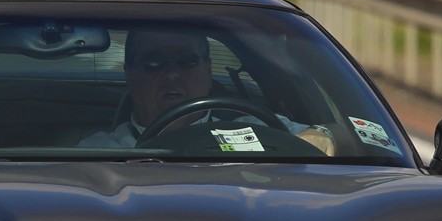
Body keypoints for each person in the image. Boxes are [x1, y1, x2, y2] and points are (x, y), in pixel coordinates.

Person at [78, 27, 332, 152]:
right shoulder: (99, 151)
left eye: (187, 61)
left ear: (209, 71)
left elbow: (346, 134)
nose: (172, 74)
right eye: (154, 63)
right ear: (131, 76)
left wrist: (321, 138)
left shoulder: (254, 128)